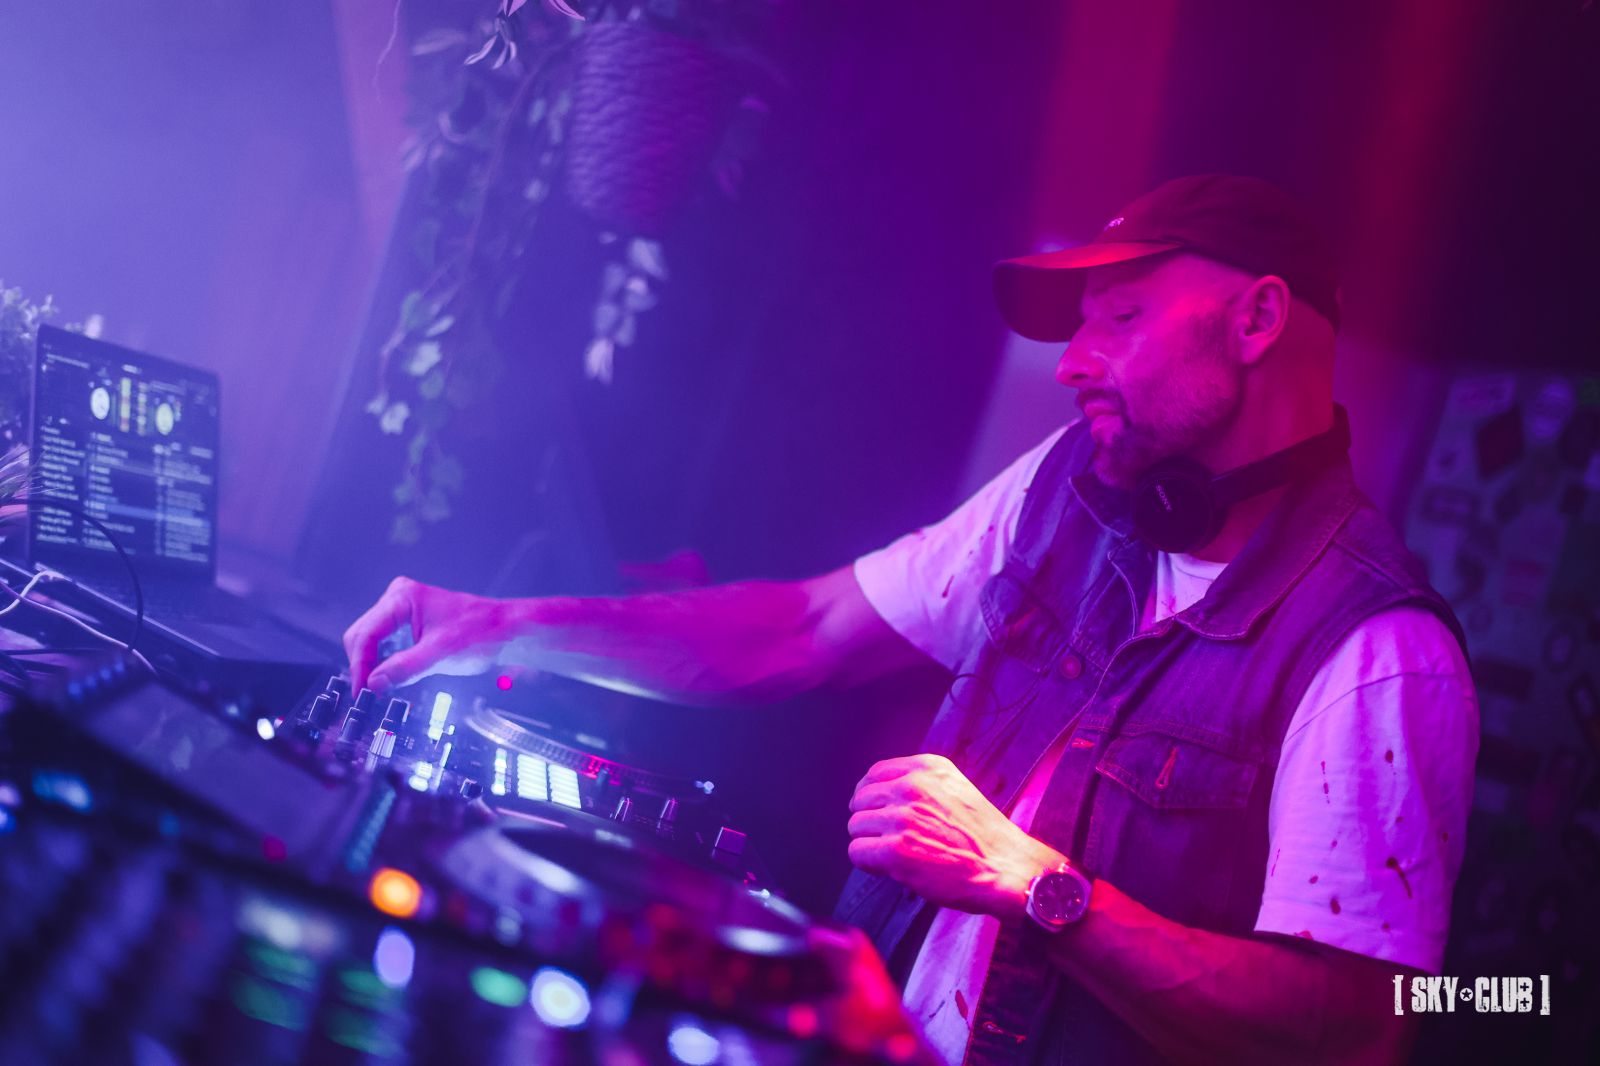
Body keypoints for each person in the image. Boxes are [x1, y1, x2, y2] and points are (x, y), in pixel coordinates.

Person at [343, 175, 1478, 1065]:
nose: (1074, 362)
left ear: (1258, 318)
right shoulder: (1066, 494)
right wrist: (504, 625)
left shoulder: (1377, 651)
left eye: (1123, 318)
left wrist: (1036, 883)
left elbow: (1357, 1026)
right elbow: (800, 629)